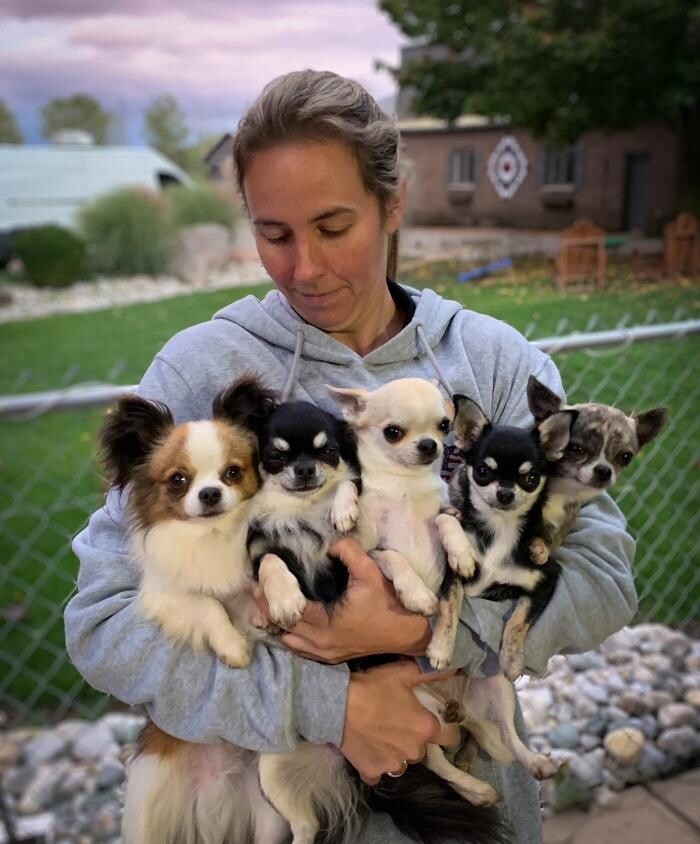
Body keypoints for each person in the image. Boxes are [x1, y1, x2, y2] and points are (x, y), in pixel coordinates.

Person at [64, 69, 637, 843]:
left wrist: (417, 632)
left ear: (393, 202)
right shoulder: (199, 372)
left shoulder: (495, 363)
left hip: (473, 812)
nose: (305, 267)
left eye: (334, 227)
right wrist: (334, 708)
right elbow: (102, 624)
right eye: (274, 234)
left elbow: (603, 579)